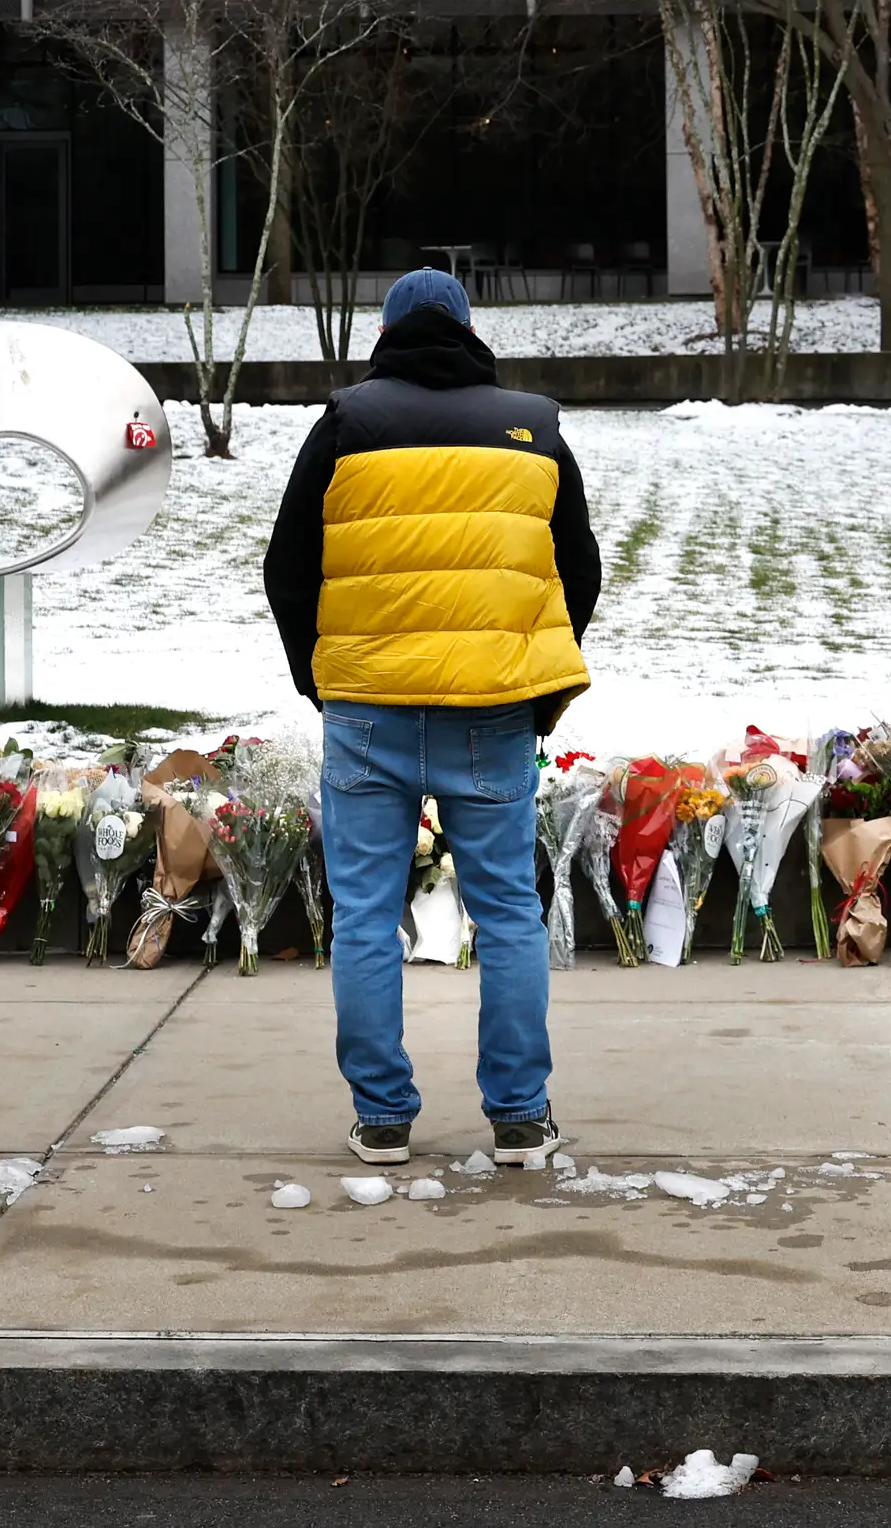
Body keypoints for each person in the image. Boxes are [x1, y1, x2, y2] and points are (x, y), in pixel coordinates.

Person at [262, 266, 600, 1171]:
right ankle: (520, 1118)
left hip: (367, 709)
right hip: (491, 711)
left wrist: (319, 679)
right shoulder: (532, 427)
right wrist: (528, 679)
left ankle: (382, 1119)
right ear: (465, 327)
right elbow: (579, 571)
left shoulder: (346, 423)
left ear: (388, 328)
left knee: (366, 917)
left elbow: (286, 567)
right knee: (509, 915)